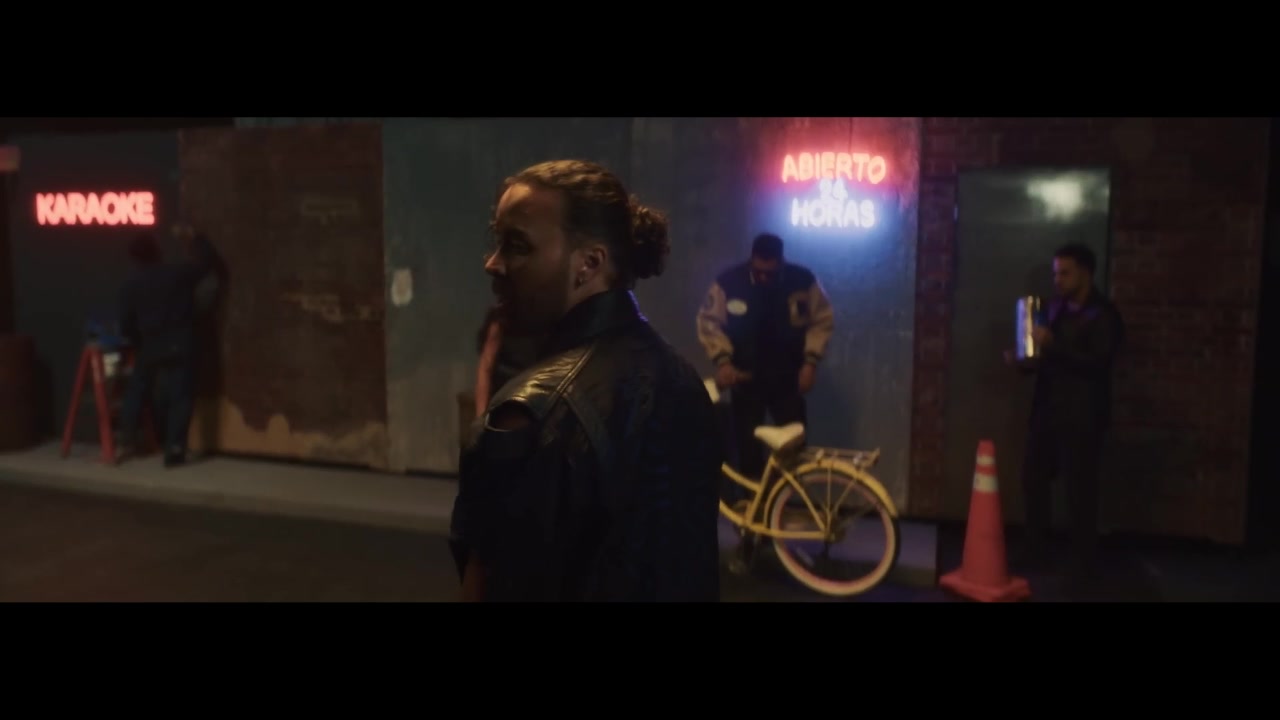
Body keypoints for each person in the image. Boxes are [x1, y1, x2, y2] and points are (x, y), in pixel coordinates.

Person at [449, 159, 723, 602]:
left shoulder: (530, 412)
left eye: (517, 245)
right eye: (496, 242)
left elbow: (493, 586)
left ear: (589, 263)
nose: (493, 264)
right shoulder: (685, 381)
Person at [1005, 243, 1124, 590]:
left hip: (1084, 416)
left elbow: (1098, 362)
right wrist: (1023, 361)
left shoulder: (1104, 315)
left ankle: (1083, 567)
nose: (1057, 280)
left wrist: (1053, 345)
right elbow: (1045, 357)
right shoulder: (1055, 308)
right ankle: (1035, 549)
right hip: (1048, 410)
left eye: (1065, 273)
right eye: (1056, 273)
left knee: (1080, 491)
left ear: (1085, 273)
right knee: (1034, 480)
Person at [696, 233, 835, 486]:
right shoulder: (729, 283)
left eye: (770, 273)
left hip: (788, 380)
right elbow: (709, 322)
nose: (763, 278)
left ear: (781, 262)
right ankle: (754, 503)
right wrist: (723, 361)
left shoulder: (802, 281)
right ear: (752, 260)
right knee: (748, 450)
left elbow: (822, 320)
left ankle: (785, 500)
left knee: (794, 449)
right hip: (745, 381)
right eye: (758, 271)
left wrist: (810, 362)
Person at [117, 226, 218, 467]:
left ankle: (126, 436)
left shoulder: (131, 284)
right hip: (181, 344)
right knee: (180, 397)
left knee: (137, 388)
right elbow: (207, 264)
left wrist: (138, 343)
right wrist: (196, 238)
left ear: (134, 258)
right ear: (158, 251)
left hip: (151, 346)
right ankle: (174, 450)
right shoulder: (177, 273)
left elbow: (126, 324)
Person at [472, 305, 539, 419]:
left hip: (531, 404)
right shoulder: (501, 319)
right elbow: (486, 368)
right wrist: (480, 417)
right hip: (503, 402)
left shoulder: (547, 319)